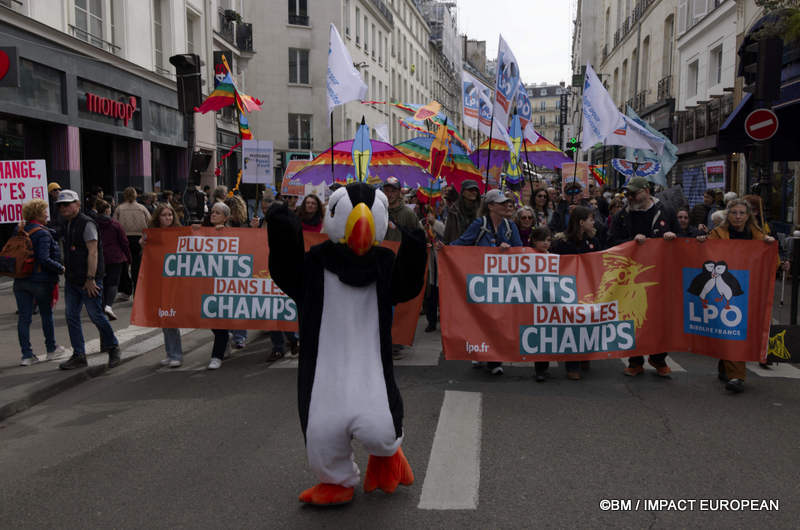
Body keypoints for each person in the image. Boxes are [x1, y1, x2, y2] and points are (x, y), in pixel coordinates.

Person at [698, 199, 788, 393]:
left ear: (748, 216)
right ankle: (734, 373)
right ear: (727, 215)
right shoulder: (717, 234)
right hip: (724, 288)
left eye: (742, 213)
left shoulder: (759, 236)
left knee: (736, 330)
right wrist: (701, 242)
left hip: (748, 288)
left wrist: (772, 249)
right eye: (734, 213)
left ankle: (731, 370)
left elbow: (773, 262)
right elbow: (704, 254)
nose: (738, 217)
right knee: (729, 329)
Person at [608, 177, 677, 377]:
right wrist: (631, 242)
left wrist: (673, 237)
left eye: (634, 193)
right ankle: (635, 360)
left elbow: (682, 238)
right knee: (634, 317)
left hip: (660, 275)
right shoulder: (622, 215)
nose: (630, 198)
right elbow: (612, 242)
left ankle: (658, 358)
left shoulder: (666, 211)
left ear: (646, 191)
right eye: (628, 194)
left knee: (659, 318)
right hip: (632, 276)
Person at [452, 189, 523, 375]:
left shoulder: (510, 227)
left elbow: (520, 252)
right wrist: (444, 250)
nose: (507, 205)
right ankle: (480, 350)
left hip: (503, 283)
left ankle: (494, 359)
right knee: (482, 318)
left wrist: (509, 251)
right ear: (491, 206)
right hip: (481, 282)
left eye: (508, 202)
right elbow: (462, 243)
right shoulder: (480, 224)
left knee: (498, 320)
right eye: (501, 202)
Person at [55, 190, 121, 370]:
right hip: (73, 280)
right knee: (71, 317)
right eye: (60, 205)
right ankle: (79, 355)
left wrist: (91, 278)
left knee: (96, 315)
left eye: (67, 204)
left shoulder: (87, 223)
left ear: (77, 204)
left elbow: (93, 252)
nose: (63, 208)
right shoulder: (68, 223)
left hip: (88, 280)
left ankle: (113, 347)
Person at [550, 206, 602, 381]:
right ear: (581, 222)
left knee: (588, 322)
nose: (593, 222)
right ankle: (572, 364)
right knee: (572, 325)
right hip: (568, 291)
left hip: (589, 289)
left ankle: (585, 355)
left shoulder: (593, 240)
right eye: (590, 219)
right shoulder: (562, 243)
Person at [13, 199, 67, 366]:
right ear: (37, 213)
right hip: (41, 281)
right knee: (46, 315)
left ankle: (27, 355)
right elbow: (44, 258)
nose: (47, 214)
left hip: (20, 279)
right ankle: (51, 349)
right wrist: (61, 268)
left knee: (24, 318)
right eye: (44, 211)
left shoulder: (19, 230)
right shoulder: (43, 233)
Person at [144, 203, 185, 368]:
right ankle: (170, 353)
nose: (168, 218)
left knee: (171, 317)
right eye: (164, 215)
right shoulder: (153, 235)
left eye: (170, 215)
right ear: (157, 218)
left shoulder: (179, 234)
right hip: (158, 281)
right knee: (163, 318)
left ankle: (176, 354)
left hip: (174, 282)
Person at [196, 202, 234, 369]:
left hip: (225, 283)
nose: (213, 215)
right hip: (207, 282)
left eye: (217, 213)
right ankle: (225, 338)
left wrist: (224, 233)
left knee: (219, 320)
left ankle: (216, 356)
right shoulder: (203, 230)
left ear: (225, 217)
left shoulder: (233, 232)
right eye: (212, 212)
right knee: (210, 318)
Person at [94, 199, 131, 321]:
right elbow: (124, 242)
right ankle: (108, 306)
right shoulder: (115, 224)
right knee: (113, 283)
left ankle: (102, 305)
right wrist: (128, 257)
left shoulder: (92, 224)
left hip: (98, 256)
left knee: (101, 281)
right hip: (116, 257)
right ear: (107, 210)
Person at [113, 186, 151, 298]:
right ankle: (137, 291)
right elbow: (150, 222)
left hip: (123, 238)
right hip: (139, 238)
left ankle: (126, 290)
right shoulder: (142, 208)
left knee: (124, 266)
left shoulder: (119, 209)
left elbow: (114, 224)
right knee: (137, 265)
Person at [529, 226, 554, 381]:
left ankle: (542, 369)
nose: (545, 243)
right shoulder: (526, 256)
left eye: (548, 240)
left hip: (548, 302)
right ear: (534, 241)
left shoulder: (553, 257)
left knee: (545, 334)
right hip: (532, 302)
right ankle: (539, 369)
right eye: (542, 240)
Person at [422, 207, 445, 332]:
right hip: (431, 262)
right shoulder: (423, 223)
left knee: (443, 294)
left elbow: (447, 233)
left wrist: (434, 223)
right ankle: (431, 321)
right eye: (428, 212)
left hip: (442, 262)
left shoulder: (446, 218)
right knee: (431, 294)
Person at [382, 177, 420, 242]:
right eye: (387, 190)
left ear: (399, 192)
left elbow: (419, 235)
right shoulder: (380, 212)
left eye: (393, 191)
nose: (389, 194)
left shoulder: (409, 213)